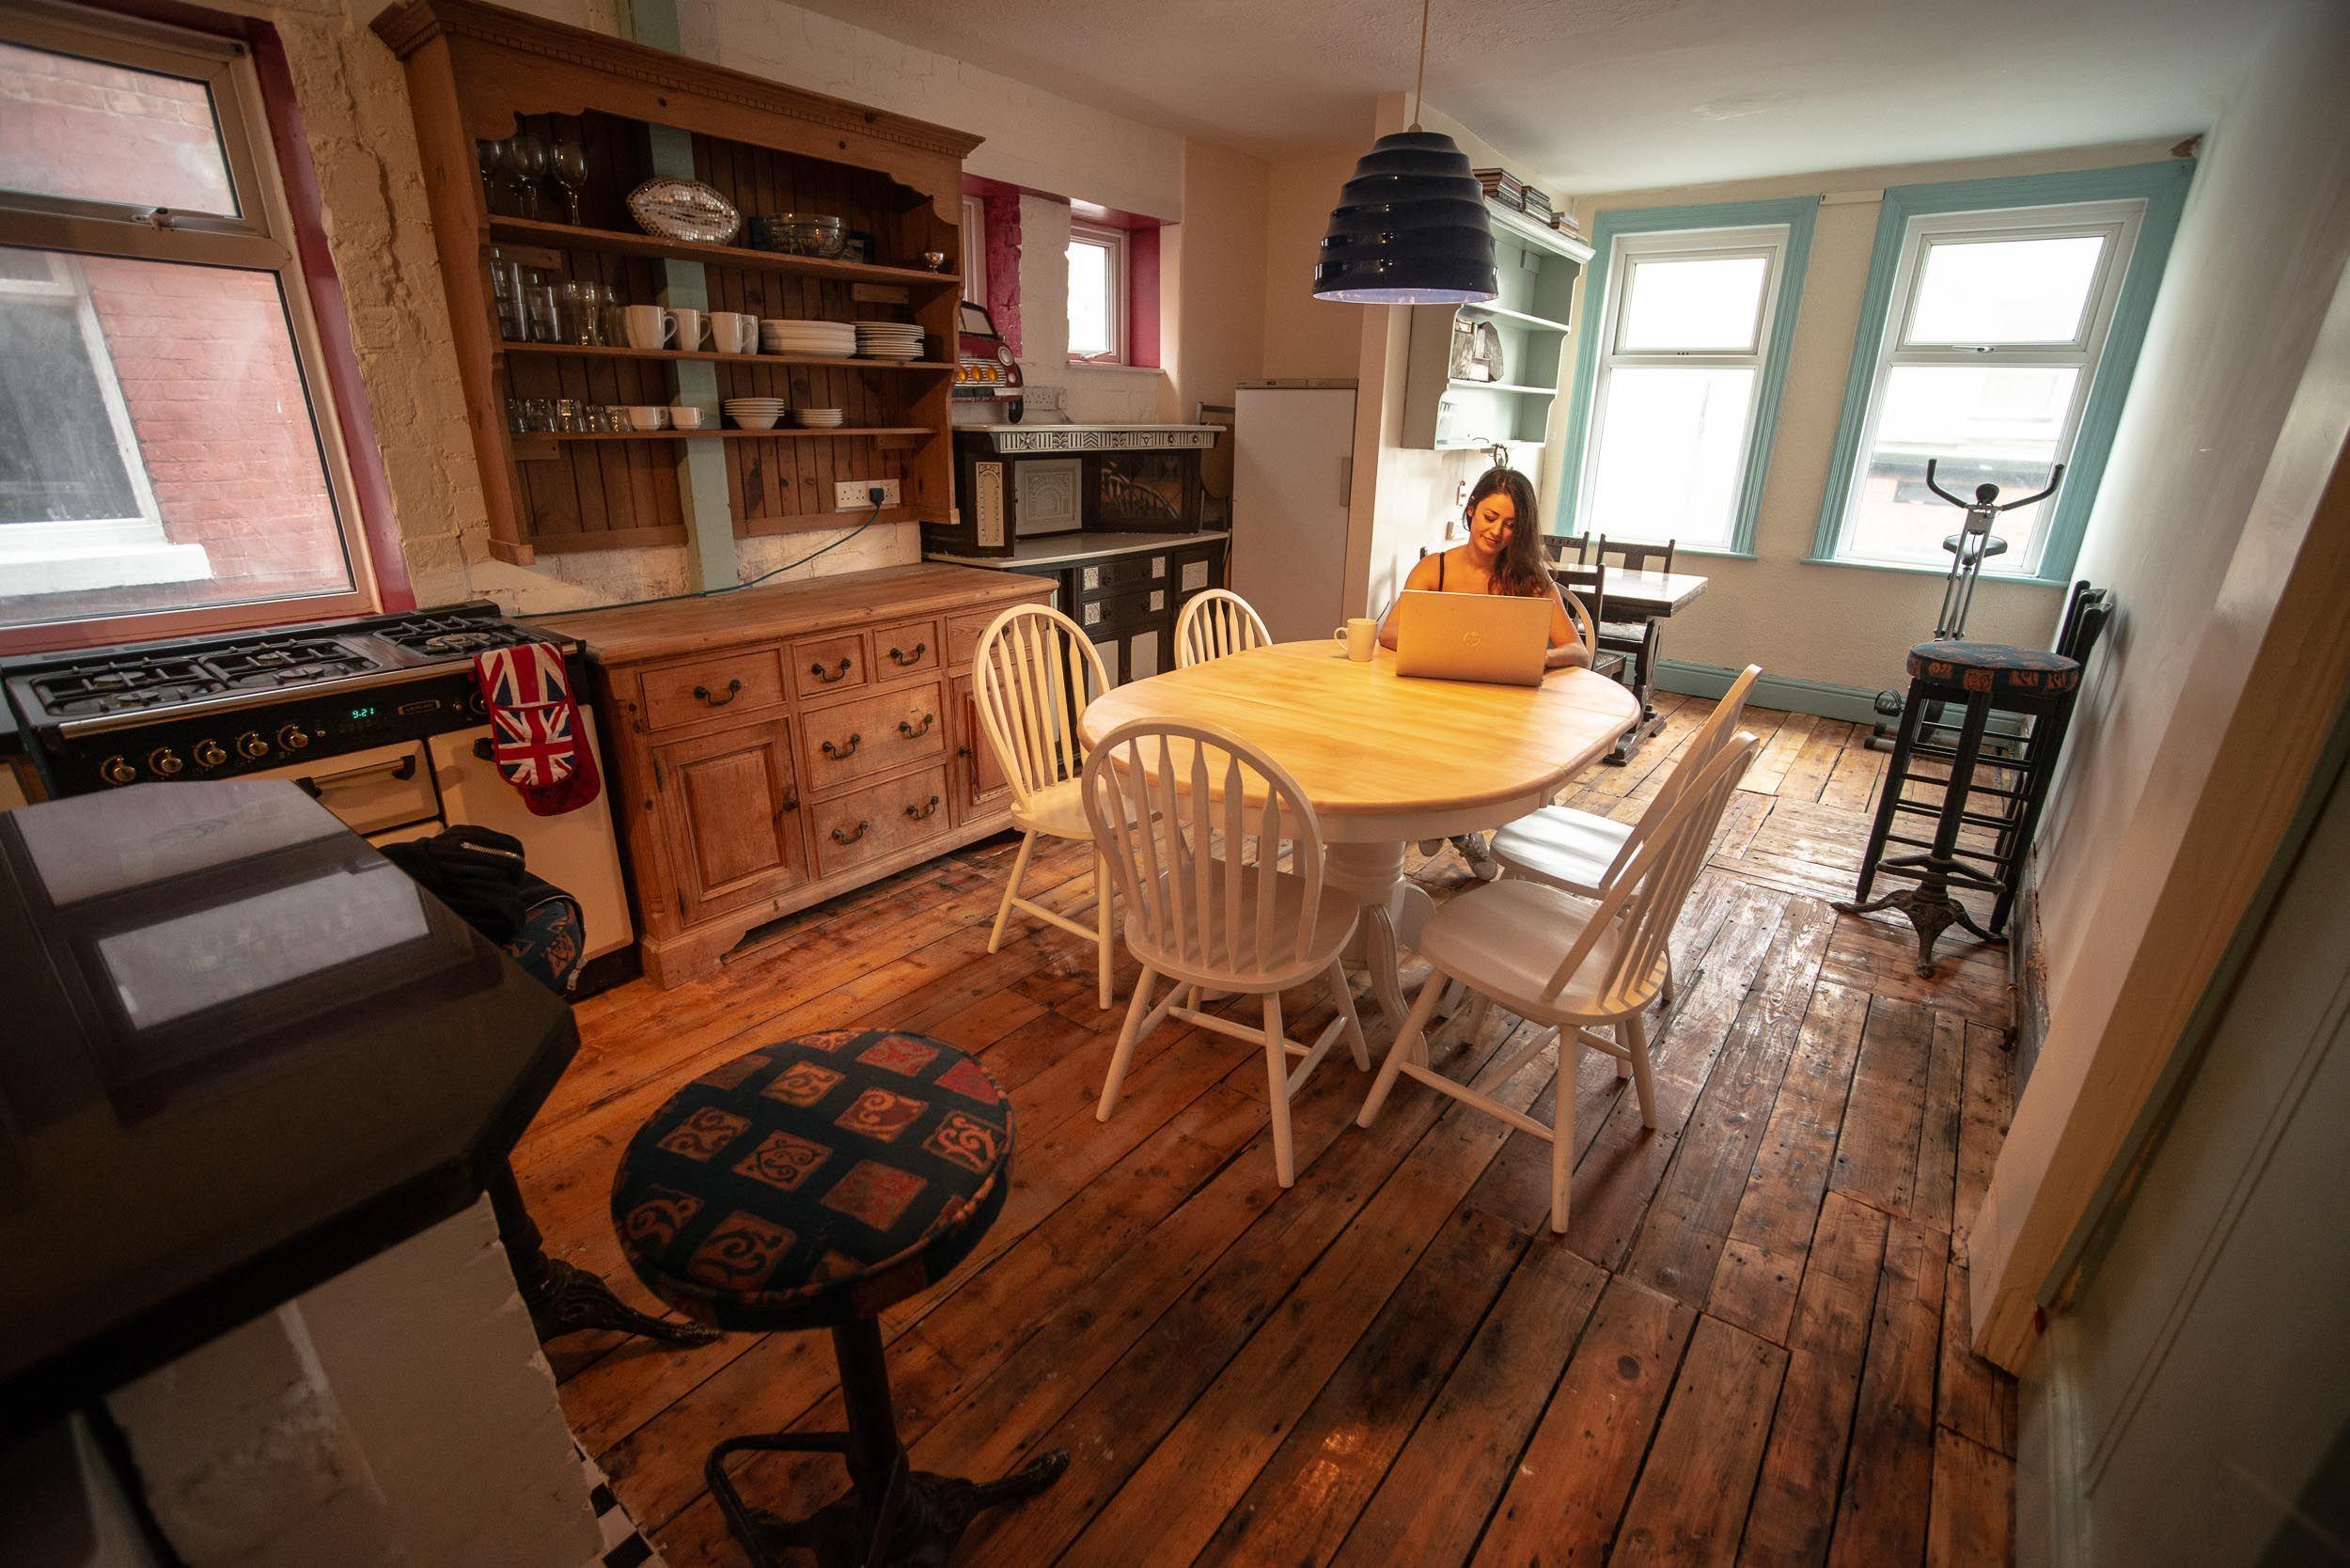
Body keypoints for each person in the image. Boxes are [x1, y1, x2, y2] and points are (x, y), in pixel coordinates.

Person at [1377, 466, 1590, 670]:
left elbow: (1578, 652)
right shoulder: (1433, 569)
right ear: (1471, 509)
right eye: (1490, 518)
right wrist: (1453, 649)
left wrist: (1542, 656)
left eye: (1510, 525)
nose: (1496, 531)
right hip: (1441, 686)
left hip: (1509, 696)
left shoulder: (1530, 577)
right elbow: (1389, 633)